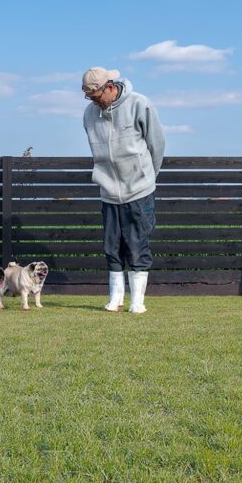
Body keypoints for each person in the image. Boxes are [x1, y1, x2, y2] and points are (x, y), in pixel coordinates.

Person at [81, 67, 165, 313]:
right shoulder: (89, 114)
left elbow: (156, 144)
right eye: (89, 98)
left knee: (138, 245)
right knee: (111, 247)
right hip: (108, 192)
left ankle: (137, 301)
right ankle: (115, 299)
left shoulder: (140, 104)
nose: (94, 103)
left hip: (139, 190)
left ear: (109, 87)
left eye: (96, 97)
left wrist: (147, 176)